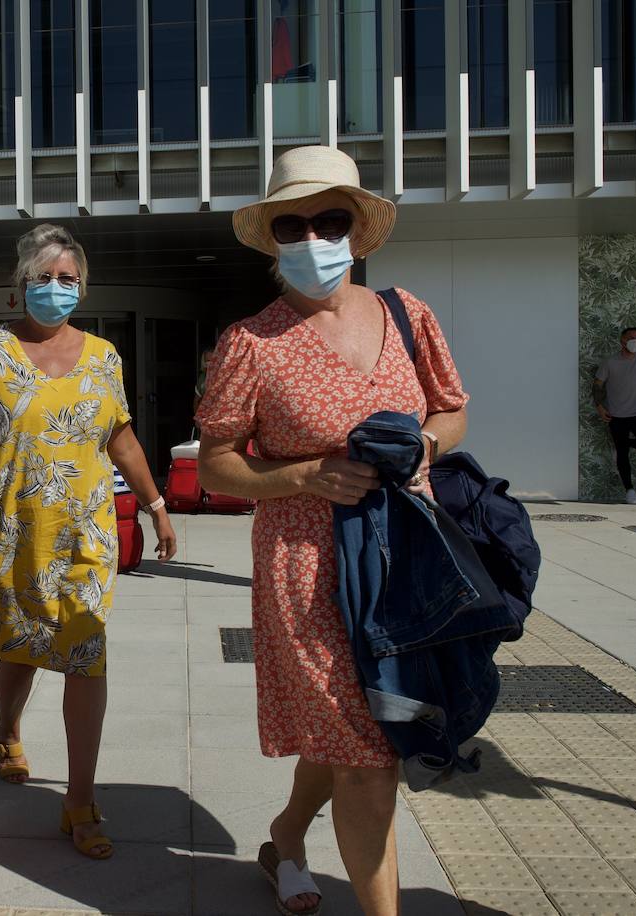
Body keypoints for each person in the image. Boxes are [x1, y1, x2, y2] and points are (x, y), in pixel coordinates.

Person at [196, 146, 469, 916]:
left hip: (404, 553)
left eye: (330, 218)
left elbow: (451, 407)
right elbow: (217, 464)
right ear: (273, 237)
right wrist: (303, 477)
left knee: (350, 732)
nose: (313, 236)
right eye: (294, 222)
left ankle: (286, 834)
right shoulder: (252, 343)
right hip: (305, 566)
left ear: (358, 230)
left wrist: (427, 444)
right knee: (365, 755)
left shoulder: (409, 315)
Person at [0, 224, 176, 861]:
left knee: (87, 656)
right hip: (8, 533)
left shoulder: (105, 356)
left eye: (67, 279)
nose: (55, 288)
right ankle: (7, 727)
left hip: (84, 536)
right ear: (19, 287)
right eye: (43, 277)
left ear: (81, 287)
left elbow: (122, 440)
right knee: (22, 653)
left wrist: (157, 506)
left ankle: (80, 799)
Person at [593, 327, 636, 504]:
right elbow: (598, 385)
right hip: (616, 415)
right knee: (622, 453)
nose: (635, 341)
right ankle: (630, 491)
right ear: (622, 341)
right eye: (631, 338)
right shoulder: (610, 362)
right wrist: (600, 407)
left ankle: (627, 442)